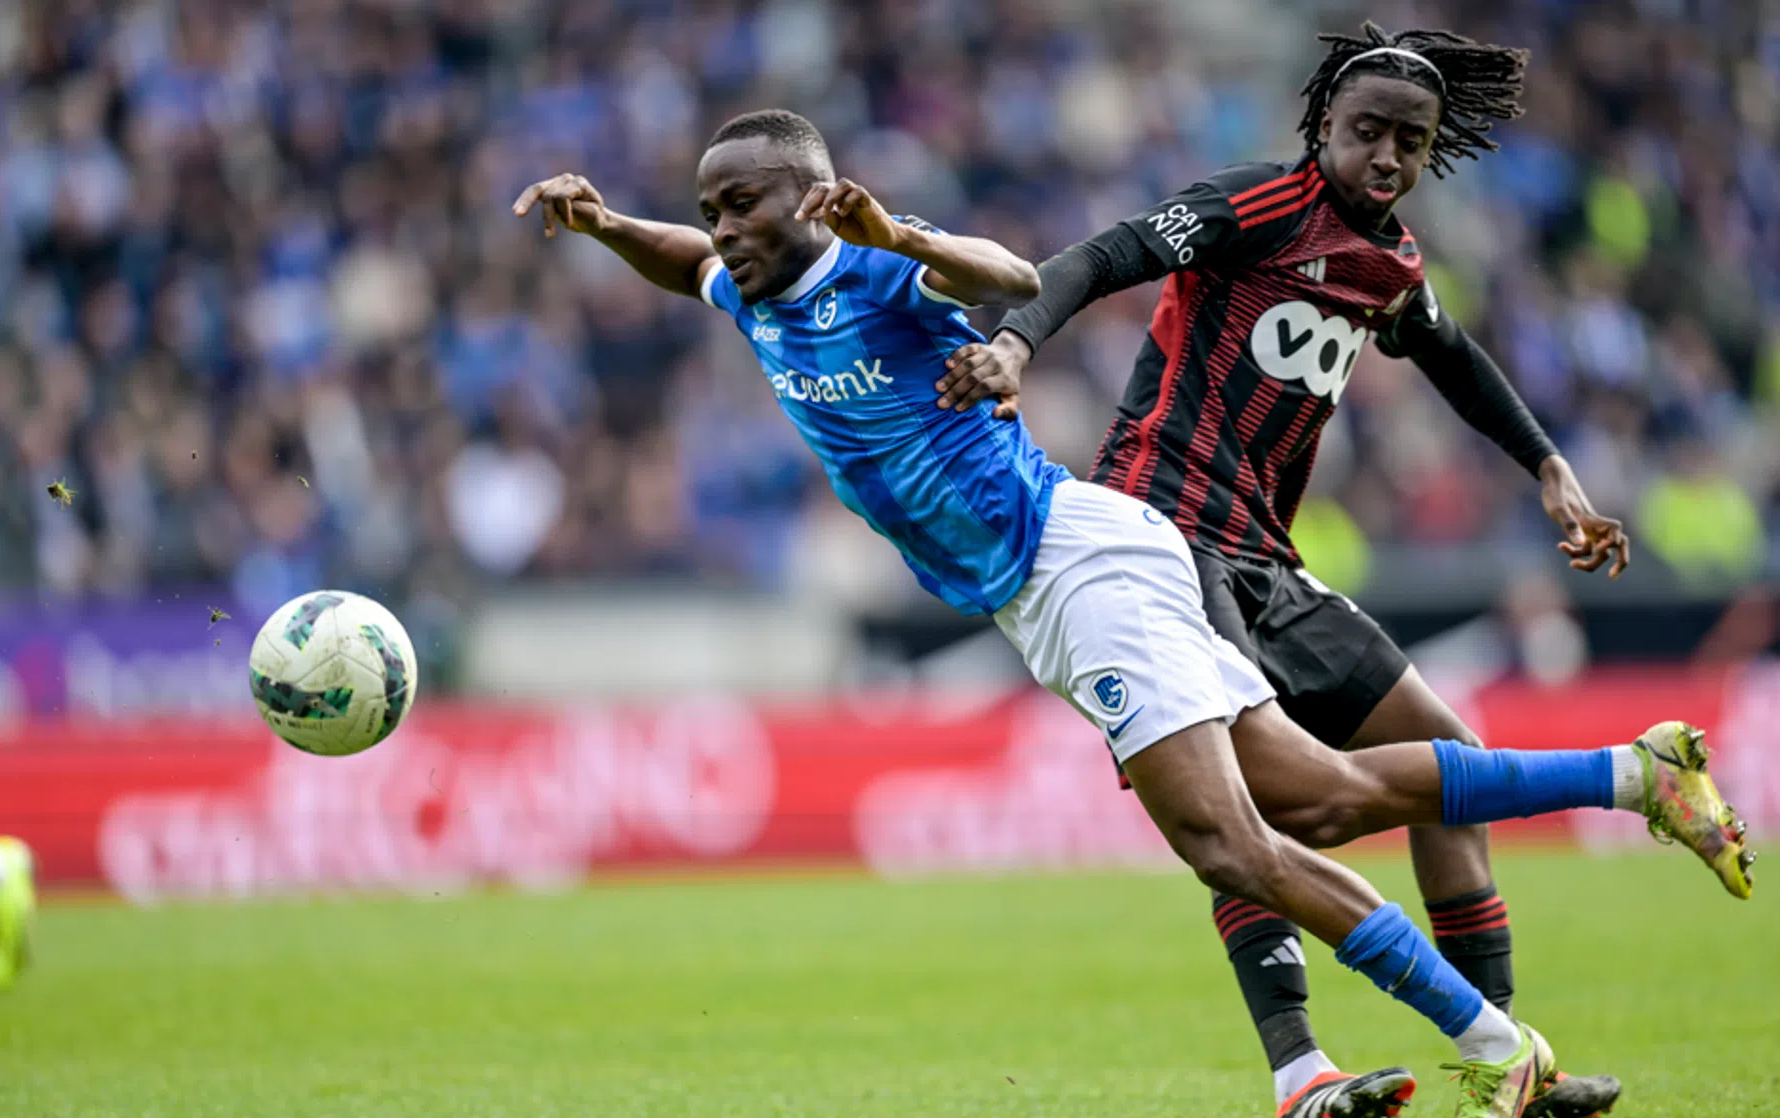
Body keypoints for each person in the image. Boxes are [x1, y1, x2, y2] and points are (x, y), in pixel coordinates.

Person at [513, 108, 1751, 1118]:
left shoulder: (869, 266)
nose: (722, 228)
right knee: (1315, 796)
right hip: (1047, 591)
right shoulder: (750, 291)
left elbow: (1004, 273)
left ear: (813, 197)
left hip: (1079, 563)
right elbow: (681, 266)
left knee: (1237, 841)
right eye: (713, 205)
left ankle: (1492, 1042)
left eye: (743, 204)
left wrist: (907, 241)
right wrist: (608, 221)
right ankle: (1626, 779)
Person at [931, 21, 1689, 1118]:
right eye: (1365, 131)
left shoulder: (1393, 261)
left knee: (1446, 764)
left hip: (1264, 558)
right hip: (1162, 537)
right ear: (1320, 128)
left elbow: (1451, 356)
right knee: (1263, 814)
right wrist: (1015, 343)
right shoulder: (1254, 206)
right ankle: (1301, 1060)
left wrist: (1549, 468)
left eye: (1408, 141)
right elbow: (1106, 254)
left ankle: (1509, 1063)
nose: (1384, 155)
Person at [0, 836, 35, 991]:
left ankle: (4, 973)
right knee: (3, 937)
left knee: (5, 936)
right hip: (1, 896)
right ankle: (4, 974)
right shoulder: (12, 853)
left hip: (2, 895)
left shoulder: (11, 854)